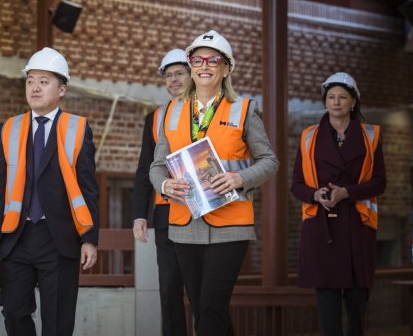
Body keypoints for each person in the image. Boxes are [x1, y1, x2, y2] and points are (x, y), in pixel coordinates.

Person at [149, 30, 279, 335]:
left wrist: (240, 178)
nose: (204, 65)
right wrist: (165, 186)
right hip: (185, 225)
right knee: (202, 309)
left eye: (213, 60)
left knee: (210, 306)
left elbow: (270, 161)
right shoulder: (170, 112)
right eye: (197, 59)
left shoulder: (244, 110)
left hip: (231, 225)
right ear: (191, 65)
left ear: (226, 67)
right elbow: (157, 166)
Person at [0, 47, 99, 336]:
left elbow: (88, 188)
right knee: (14, 312)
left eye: (44, 81)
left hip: (59, 238)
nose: (35, 87)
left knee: (58, 321)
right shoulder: (8, 129)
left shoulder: (78, 128)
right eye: (30, 80)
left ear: (61, 89)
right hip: (16, 238)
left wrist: (89, 239)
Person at [291, 72, 386, 336]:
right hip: (321, 228)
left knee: (357, 301)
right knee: (327, 304)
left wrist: (347, 192)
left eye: (342, 97)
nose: (336, 102)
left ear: (354, 102)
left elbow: (380, 182)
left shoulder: (371, 135)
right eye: (331, 97)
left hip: (357, 225)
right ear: (325, 102)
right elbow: (297, 185)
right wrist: (315, 195)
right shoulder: (309, 136)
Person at [132, 49, 191, 336]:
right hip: (166, 213)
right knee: (168, 289)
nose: (174, 80)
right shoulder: (154, 118)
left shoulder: (210, 111)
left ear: (192, 75)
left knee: (204, 294)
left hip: (202, 210)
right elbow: (144, 169)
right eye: (169, 76)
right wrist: (139, 215)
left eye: (179, 73)